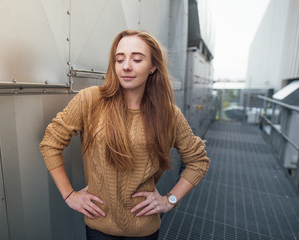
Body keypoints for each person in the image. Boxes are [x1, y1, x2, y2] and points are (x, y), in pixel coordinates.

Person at [39, 30, 210, 239]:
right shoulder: (90, 100)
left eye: (137, 59)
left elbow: (198, 161)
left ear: (153, 67)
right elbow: (50, 143)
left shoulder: (169, 115)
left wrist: (169, 200)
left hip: (144, 230)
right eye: (119, 59)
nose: (126, 66)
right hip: (99, 228)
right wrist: (68, 194)